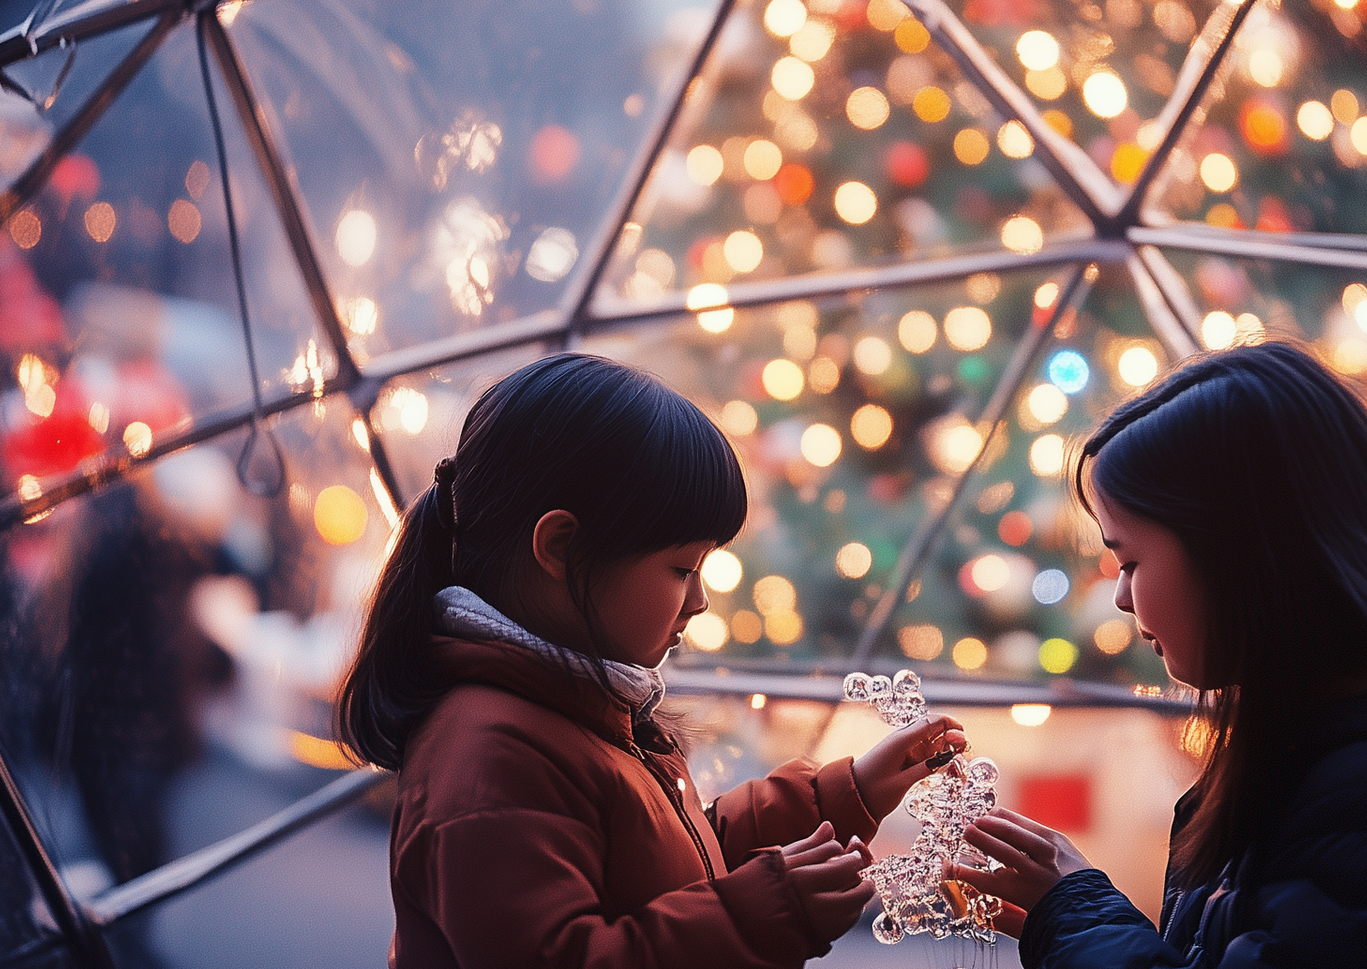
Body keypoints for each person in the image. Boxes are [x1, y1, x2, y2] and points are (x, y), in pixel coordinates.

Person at [953, 342, 1367, 968]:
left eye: (1128, 560)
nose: (1121, 598)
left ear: (1238, 558)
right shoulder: (1326, 756)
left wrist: (1079, 916)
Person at [336, 353, 964, 969]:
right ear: (561, 547)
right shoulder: (490, 754)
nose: (700, 599)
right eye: (681, 568)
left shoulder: (580, 708)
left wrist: (841, 793)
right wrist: (764, 912)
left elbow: (674, 863)